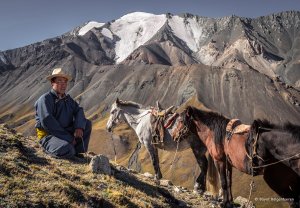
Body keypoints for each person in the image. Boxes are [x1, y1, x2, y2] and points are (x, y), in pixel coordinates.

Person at [34, 68, 92, 159]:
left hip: (65, 132)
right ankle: (52, 148)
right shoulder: (45, 99)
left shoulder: (67, 99)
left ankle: (78, 152)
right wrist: (69, 138)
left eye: (65, 82)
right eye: (59, 81)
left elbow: (79, 110)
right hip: (49, 135)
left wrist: (79, 127)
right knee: (67, 148)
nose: (63, 85)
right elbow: (47, 121)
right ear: (52, 83)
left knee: (87, 124)